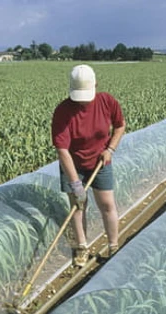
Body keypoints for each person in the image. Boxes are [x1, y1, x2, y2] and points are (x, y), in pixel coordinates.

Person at [51, 64, 125, 267]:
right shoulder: (63, 111)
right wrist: (75, 184)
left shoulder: (106, 101)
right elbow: (62, 150)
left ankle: (113, 245)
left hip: (101, 161)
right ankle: (82, 247)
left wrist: (110, 149)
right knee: (77, 206)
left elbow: (120, 125)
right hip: (72, 164)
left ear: (96, 86)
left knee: (107, 205)